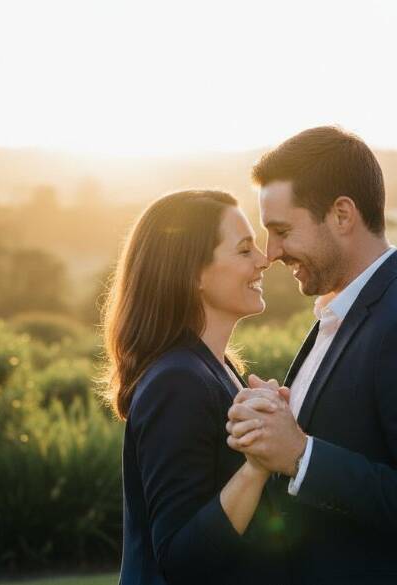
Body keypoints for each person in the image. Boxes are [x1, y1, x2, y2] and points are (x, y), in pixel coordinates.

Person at [227, 126, 397, 584]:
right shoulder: (341, 311)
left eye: (282, 231)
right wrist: (280, 419)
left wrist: (302, 455)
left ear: (342, 215)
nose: (272, 253)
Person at [103, 190, 287, 585]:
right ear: (192, 274)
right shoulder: (177, 382)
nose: (263, 260)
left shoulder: (219, 368)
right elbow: (181, 558)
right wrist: (256, 466)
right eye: (243, 250)